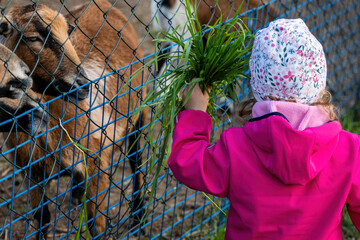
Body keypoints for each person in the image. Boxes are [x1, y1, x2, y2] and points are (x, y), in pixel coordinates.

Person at [167, 18, 360, 239]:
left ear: (258, 83)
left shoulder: (236, 147)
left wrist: (196, 112)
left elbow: (188, 162)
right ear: (318, 82)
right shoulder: (350, 150)